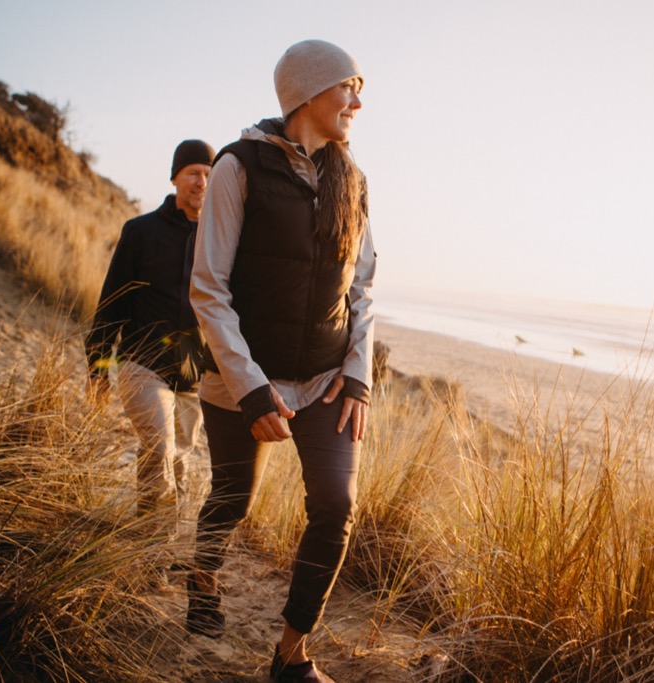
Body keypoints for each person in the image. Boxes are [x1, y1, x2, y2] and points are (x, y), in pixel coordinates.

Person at [186, 39, 375, 683]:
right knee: (234, 498)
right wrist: (252, 390)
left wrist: (359, 374)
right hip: (246, 378)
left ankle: (291, 656)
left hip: (327, 378)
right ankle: (203, 576)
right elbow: (208, 289)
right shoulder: (238, 167)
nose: (356, 100)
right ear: (303, 93)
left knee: (336, 505)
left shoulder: (354, 180)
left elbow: (363, 287)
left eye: (359, 88)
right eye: (345, 86)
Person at [85, 139, 215, 543]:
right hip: (141, 365)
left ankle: (151, 540)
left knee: (178, 461)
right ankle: (154, 554)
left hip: (192, 377)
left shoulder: (219, 241)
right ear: (175, 176)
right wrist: (98, 369)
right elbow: (112, 303)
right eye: (193, 172)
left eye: (209, 175)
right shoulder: (141, 231)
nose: (201, 182)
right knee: (159, 447)